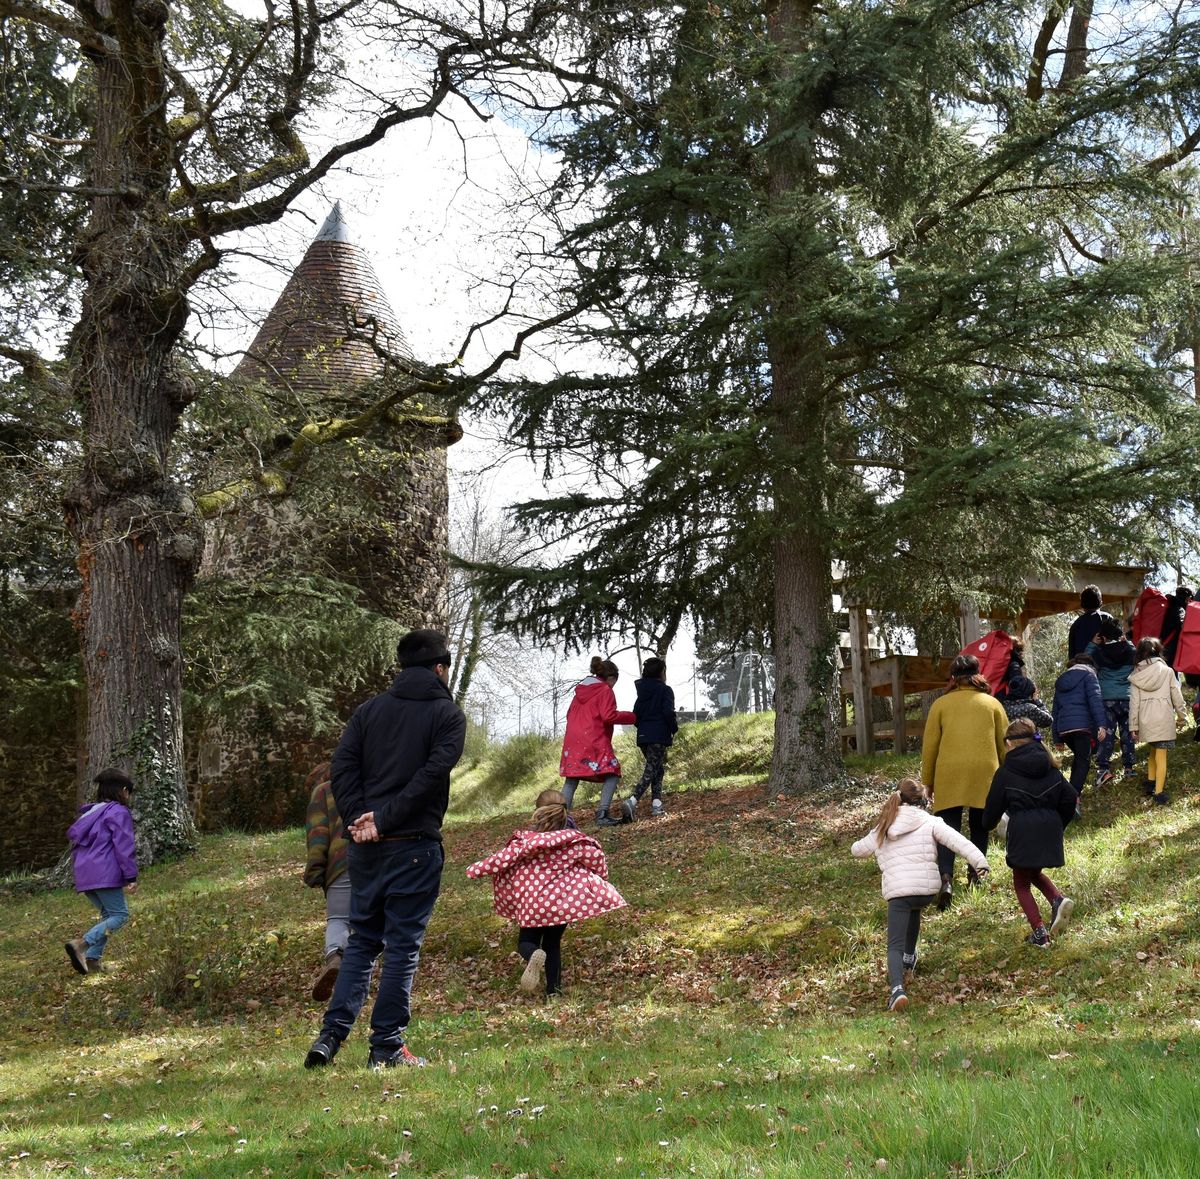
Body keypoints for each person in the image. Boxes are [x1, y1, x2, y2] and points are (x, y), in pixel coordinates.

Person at [305, 629, 466, 1071]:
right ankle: (387, 1046)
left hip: (367, 848)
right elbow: (432, 774)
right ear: (440, 668)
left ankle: (329, 1038)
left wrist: (360, 818)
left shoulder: (368, 712)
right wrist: (381, 819)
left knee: (360, 945)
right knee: (401, 948)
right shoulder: (447, 715)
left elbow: (342, 768)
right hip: (412, 844)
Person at [466, 789, 626, 997]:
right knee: (552, 944)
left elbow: (499, 860)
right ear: (564, 813)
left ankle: (533, 954)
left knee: (526, 941)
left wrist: (473, 870)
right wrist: (600, 877)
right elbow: (596, 857)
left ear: (537, 813)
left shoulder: (524, 843)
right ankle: (554, 992)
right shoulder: (574, 841)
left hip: (532, 903)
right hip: (560, 905)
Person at [851, 778, 989, 1012]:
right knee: (913, 908)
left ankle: (897, 990)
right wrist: (979, 862)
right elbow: (959, 841)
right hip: (926, 891)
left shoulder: (883, 826)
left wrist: (874, 834)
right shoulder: (931, 821)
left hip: (899, 891)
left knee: (893, 943)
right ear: (922, 801)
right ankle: (909, 959)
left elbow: (857, 850)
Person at [920, 653, 1008, 911]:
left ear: (953, 678)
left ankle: (946, 878)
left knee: (947, 830)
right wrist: (1007, 773)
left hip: (949, 771)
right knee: (980, 826)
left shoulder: (941, 705)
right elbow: (1004, 745)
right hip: (985, 771)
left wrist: (928, 782)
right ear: (978, 674)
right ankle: (975, 875)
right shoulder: (992, 704)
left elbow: (930, 748)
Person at [983, 719, 1078, 949]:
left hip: (1023, 831)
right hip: (1049, 828)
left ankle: (1039, 933)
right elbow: (1070, 797)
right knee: (1032, 872)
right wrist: (1058, 823)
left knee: (1021, 882)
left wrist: (987, 824)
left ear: (1010, 743)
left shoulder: (1005, 773)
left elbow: (991, 811)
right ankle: (1057, 899)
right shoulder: (1050, 767)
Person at [65, 768, 138, 975]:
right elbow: (124, 846)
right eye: (128, 792)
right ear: (124, 791)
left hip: (85, 875)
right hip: (105, 873)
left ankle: (93, 961)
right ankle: (82, 943)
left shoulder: (89, 813)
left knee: (108, 914)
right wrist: (130, 876)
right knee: (120, 915)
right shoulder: (119, 812)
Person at [559, 656, 636, 827]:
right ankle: (602, 814)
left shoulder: (579, 692)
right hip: (594, 739)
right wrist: (633, 717)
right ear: (611, 678)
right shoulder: (605, 690)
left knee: (572, 777)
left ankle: (560, 820)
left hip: (572, 740)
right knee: (613, 772)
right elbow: (608, 716)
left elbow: (569, 714)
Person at [302, 761, 351, 1002]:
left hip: (342, 865)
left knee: (339, 918)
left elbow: (318, 836)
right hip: (376, 862)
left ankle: (334, 957)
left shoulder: (323, 792)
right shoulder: (363, 783)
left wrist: (314, 872)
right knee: (370, 921)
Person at [1129, 636, 1189, 805]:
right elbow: (1177, 696)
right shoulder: (1167, 671)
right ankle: (1159, 793)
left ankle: (1150, 782)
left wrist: (1133, 725)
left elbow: (1134, 703)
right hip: (1163, 719)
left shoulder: (1136, 675)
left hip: (1146, 720)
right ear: (1158, 651)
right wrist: (1182, 717)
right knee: (1161, 755)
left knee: (1154, 751)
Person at [621, 656, 678, 821]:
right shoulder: (665, 690)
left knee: (658, 769)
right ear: (661, 673)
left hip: (643, 736)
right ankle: (632, 801)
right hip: (658, 735)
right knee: (651, 769)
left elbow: (635, 714)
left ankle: (656, 805)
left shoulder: (642, 693)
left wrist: (644, 728)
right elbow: (668, 712)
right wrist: (673, 728)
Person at [1086, 618, 1137, 787]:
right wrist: (1126, 640)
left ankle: (1103, 769)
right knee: (1128, 733)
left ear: (1103, 636)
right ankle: (1129, 768)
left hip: (1106, 698)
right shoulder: (1130, 649)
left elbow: (1083, 661)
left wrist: (1093, 643)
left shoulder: (1098, 652)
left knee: (1106, 733)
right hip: (1127, 698)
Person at [1051, 655, 1108, 801]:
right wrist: (1102, 725)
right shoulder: (1089, 676)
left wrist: (1057, 737)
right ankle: (1073, 797)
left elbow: (1055, 710)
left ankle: (1071, 792)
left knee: (1080, 758)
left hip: (1064, 728)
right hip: (1082, 726)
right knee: (1083, 760)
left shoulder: (1061, 680)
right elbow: (1095, 701)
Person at [1066, 584, 1114, 661]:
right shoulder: (1107, 618)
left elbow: (1072, 657)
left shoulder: (1076, 625)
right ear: (1100, 602)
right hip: (1106, 667)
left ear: (1082, 605)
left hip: (1083, 667)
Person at [1160, 586, 1193, 669]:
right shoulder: (1180, 609)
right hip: (1171, 647)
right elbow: (1182, 627)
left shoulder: (1169, 606)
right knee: (1172, 672)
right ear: (1187, 598)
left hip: (1163, 644)